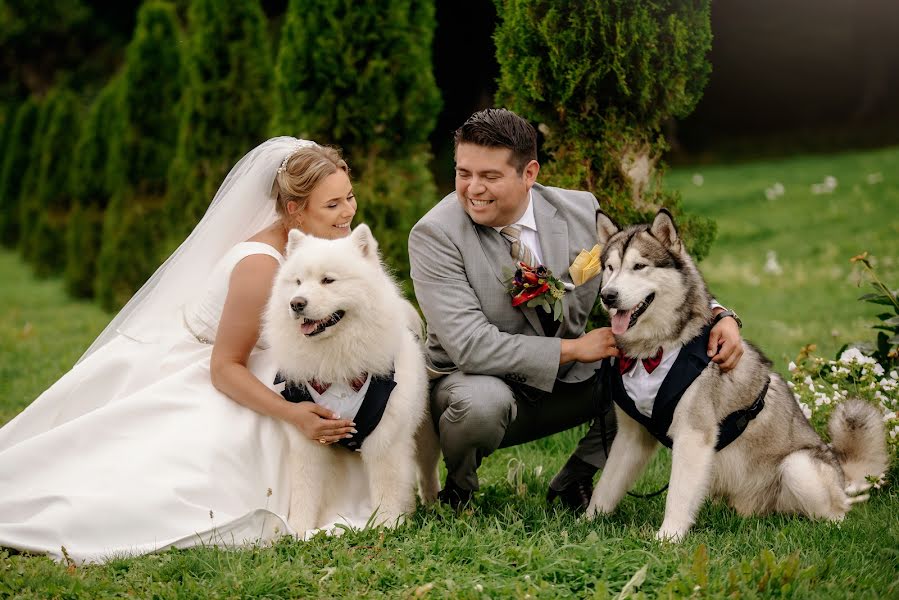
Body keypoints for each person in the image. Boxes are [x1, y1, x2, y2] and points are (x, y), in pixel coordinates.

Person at [0, 138, 372, 563]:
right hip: (213, 370)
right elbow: (225, 366)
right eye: (333, 205)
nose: (348, 213)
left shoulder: (311, 246)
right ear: (294, 209)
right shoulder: (261, 267)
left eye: (349, 197)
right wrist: (291, 413)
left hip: (254, 362)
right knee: (174, 479)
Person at [408, 109, 743, 510]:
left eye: (490, 176)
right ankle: (459, 488)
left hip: (567, 383)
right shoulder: (434, 234)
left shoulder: (580, 210)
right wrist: (573, 349)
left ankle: (574, 480)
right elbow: (469, 345)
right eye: (464, 173)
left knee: (647, 376)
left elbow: (653, 267)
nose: (473, 188)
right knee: (481, 406)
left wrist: (720, 315)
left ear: (529, 173)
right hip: (474, 383)